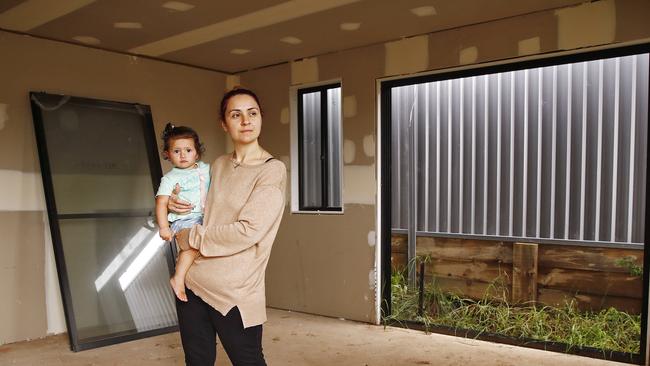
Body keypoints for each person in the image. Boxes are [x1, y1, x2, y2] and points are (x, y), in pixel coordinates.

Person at [172, 88, 287, 365]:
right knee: (197, 361)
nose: (246, 121)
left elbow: (248, 231)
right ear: (224, 123)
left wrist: (189, 237)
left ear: (261, 118)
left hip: (235, 293)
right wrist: (177, 204)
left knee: (248, 360)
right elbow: (201, 211)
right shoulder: (218, 166)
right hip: (193, 285)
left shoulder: (272, 170)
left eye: (252, 113)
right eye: (236, 115)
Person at [155, 123, 210, 302]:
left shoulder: (206, 169)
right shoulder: (170, 178)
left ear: (197, 152)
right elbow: (162, 202)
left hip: (205, 218)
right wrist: (164, 227)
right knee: (194, 243)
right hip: (184, 220)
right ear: (168, 155)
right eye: (177, 151)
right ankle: (178, 279)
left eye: (188, 150)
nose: (183, 155)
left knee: (203, 246)